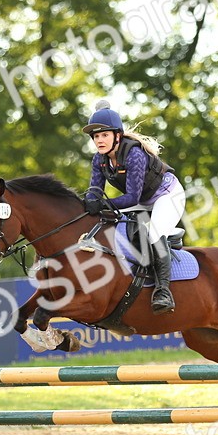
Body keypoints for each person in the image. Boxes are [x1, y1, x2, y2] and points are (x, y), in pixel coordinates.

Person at [81, 99, 186, 314]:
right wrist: (88, 203)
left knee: (154, 232)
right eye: (96, 137)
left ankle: (163, 291)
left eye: (104, 135)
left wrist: (103, 204)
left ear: (117, 136)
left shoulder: (134, 154)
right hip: (142, 202)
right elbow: (95, 190)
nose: (99, 141)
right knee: (106, 224)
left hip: (167, 196)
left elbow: (131, 197)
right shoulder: (99, 160)